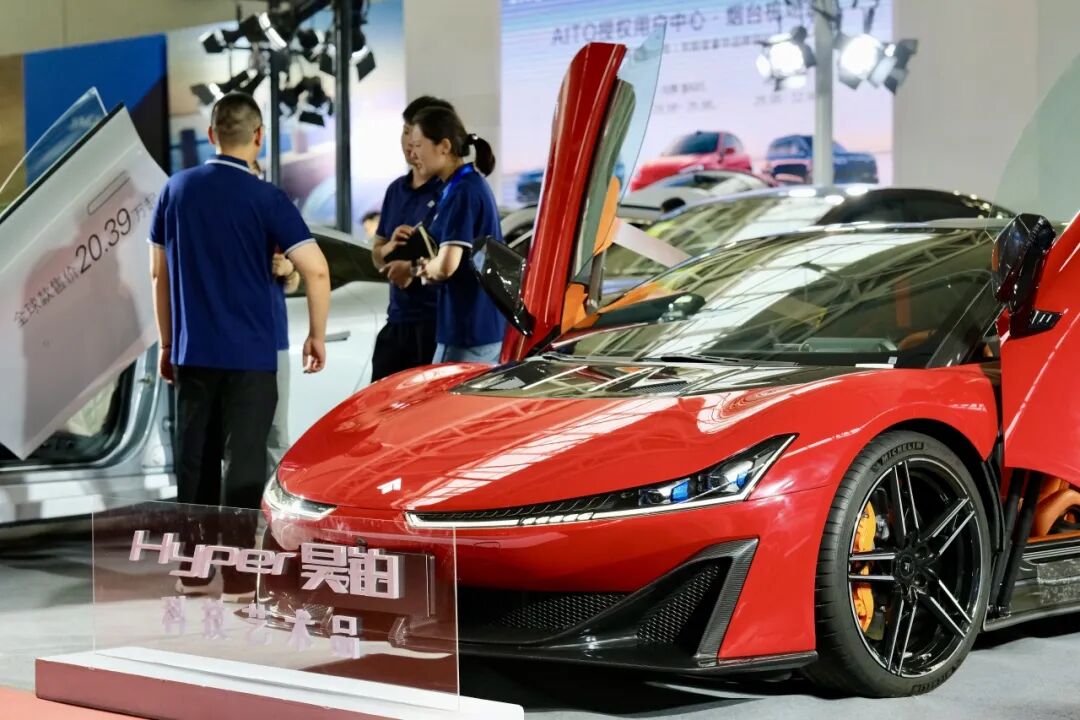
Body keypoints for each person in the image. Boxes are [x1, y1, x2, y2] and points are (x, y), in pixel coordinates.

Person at [149, 91, 330, 601]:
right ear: (259, 137)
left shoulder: (175, 190)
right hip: (252, 355)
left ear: (211, 134)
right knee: (245, 461)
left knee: (195, 461)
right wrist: (316, 333)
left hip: (193, 352)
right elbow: (316, 269)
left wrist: (167, 343)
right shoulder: (267, 198)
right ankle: (236, 575)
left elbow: (157, 274)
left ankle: (192, 570)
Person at [405, 107, 506, 364]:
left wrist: (420, 269)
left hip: (467, 331)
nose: (413, 153)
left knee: (439, 391)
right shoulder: (463, 185)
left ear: (444, 146)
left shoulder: (462, 191)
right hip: (480, 327)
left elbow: (445, 267)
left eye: (418, 145)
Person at [369, 96, 455, 380]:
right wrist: (388, 249)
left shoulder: (452, 191)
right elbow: (377, 255)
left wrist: (413, 269)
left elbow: (458, 263)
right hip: (397, 321)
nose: (409, 144)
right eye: (405, 132)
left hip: (437, 324)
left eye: (416, 138)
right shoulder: (396, 190)